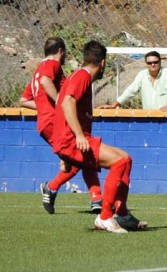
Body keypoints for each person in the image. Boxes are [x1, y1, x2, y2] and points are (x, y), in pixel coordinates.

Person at [52, 40, 147, 233]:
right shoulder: (83, 76)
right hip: (73, 141)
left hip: (69, 142)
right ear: (102, 63)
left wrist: (63, 154)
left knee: (126, 160)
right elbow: (66, 103)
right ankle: (104, 217)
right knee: (120, 161)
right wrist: (78, 136)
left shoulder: (77, 76)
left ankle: (121, 213)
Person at [19, 37, 103, 215]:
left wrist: (45, 107)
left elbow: (23, 100)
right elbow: (45, 82)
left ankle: (96, 199)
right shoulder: (52, 65)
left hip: (45, 122)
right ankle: (53, 187)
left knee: (82, 155)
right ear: (60, 51)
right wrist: (59, 103)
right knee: (81, 155)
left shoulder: (37, 71)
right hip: (54, 121)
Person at [98, 51, 167, 110]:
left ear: (160, 62)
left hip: (166, 115)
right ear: (146, 64)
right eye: (149, 63)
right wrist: (114, 104)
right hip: (149, 117)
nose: (153, 64)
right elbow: (131, 90)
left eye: (155, 62)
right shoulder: (142, 75)